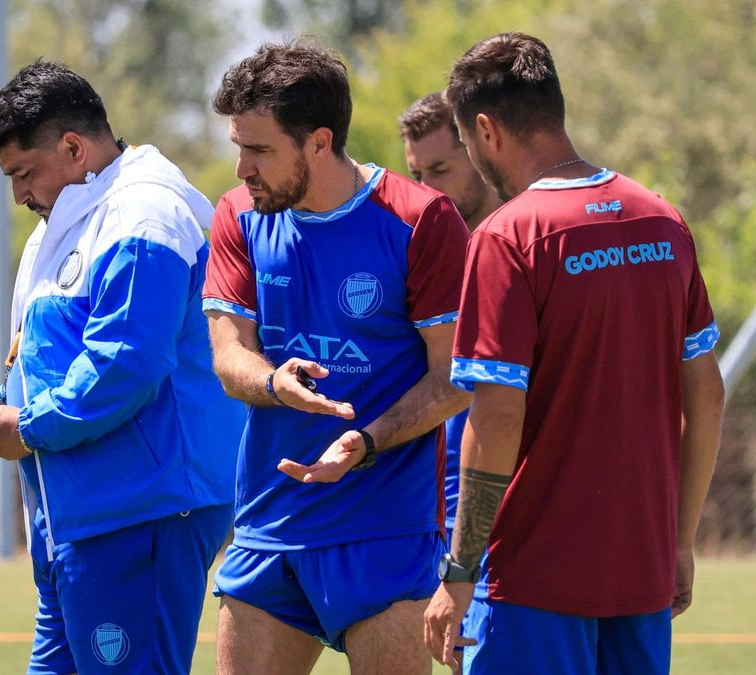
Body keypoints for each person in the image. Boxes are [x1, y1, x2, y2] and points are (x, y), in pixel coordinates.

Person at [422, 33, 725, 674]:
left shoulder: (508, 237)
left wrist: (458, 572)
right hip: (641, 577)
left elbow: (497, 416)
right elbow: (707, 395)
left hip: (533, 583)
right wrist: (679, 541)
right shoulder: (661, 221)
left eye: (469, 146)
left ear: (485, 129)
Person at [0, 60, 244, 675]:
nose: (19, 195)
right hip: (81, 518)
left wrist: (27, 429)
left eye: (23, 173)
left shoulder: (144, 211)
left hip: (141, 511)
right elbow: (41, 358)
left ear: (72, 147)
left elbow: (126, 363)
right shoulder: (67, 220)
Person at [204, 41, 472, 674]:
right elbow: (227, 354)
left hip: (385, 532)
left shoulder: (419, 220)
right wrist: (272, 381)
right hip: (270, 527)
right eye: (238, 147)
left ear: (319, 142)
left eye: (260, 149)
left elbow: (455, 376)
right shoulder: (238, 216)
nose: (243, 168)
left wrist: (368, 441)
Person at [398, 91, 502, 539]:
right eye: (417, 174)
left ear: (480, 149)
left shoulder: (525, 248)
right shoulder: (414, 255)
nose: (427, 189)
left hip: (512, 492)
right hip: (433, 504)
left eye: (440, 171)